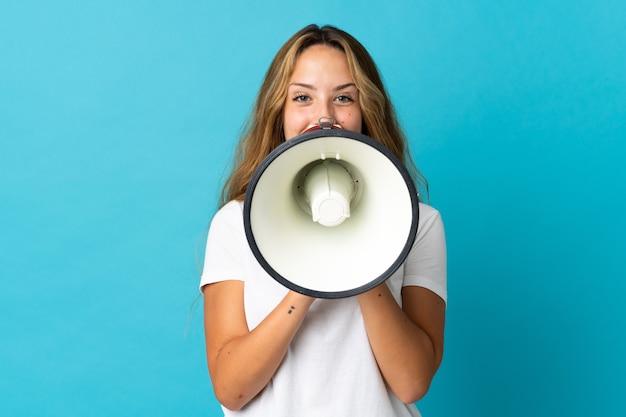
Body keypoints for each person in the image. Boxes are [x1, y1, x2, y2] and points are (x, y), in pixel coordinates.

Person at [200, 24, 447, 416]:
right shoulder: (234, 225)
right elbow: (231, 388)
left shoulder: (420, 225)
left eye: (344, 98)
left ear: (367, 110)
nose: (325, 117)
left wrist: (359, 254)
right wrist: (310, 271)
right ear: (277, 111)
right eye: (302, 97)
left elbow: (412, 381)